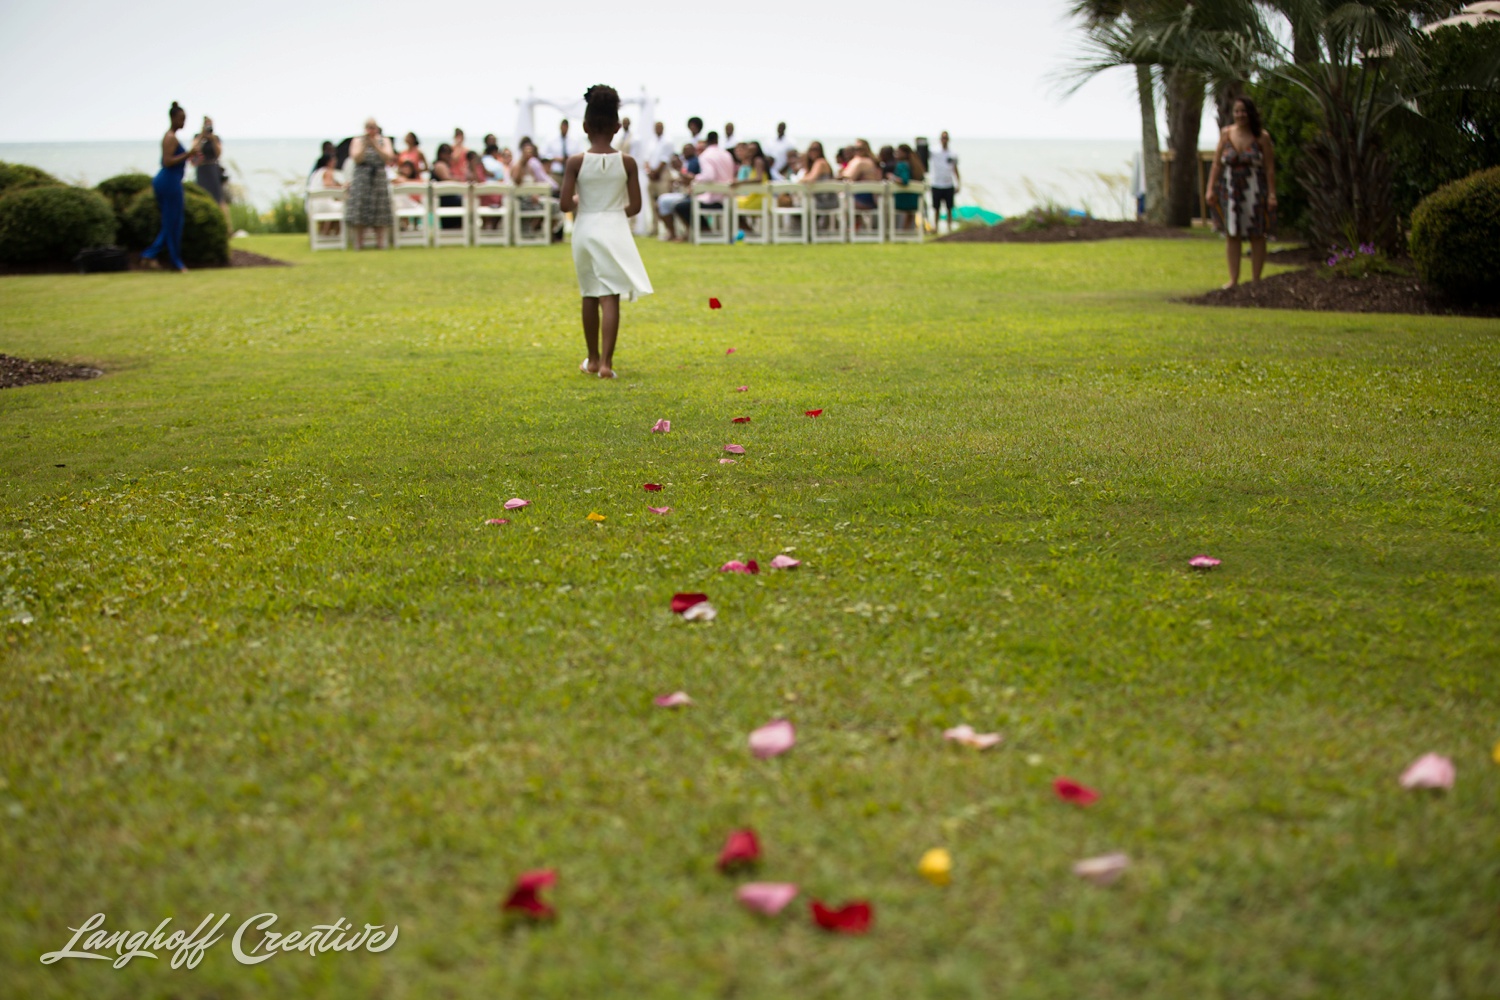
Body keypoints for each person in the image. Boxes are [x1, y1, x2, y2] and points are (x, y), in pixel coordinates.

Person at [560, 85, 652, 380]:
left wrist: (586, 205)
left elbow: (565, 203)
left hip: (585, 228)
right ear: (616, 127)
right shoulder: (627, 162)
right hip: (614, 229)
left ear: (585, 126)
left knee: (589, 294)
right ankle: (606, 364)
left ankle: (592, 358)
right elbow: (635, 206)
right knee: (610, 295)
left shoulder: (575, 162)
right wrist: (611, 213)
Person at [1205, 96, 1277, 288]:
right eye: (1237, 111)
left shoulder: (1262, 137)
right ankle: (1234, 279)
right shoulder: (1226, 134)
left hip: (1254, 189)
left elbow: (1270, 168)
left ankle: (1256, 279)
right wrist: (1210, 188)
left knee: (1257, 234)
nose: (1240, 115)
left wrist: (1271, 194)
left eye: (1243, 111)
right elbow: (1216, 164)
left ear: (1250, 113)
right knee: (1232, 233)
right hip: (1230, 190)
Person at [142, 101, 201, 272]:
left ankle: (152, 255)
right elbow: (167, 162)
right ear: (173, 118)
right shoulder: (169, 137)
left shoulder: (172, 137)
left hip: (172, 181)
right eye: (181, 119)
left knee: (173, 221)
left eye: (185, 119)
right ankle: (172, 260)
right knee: (172, 222)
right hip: (168, 181)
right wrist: (188, 154)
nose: (183, 122)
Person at [668, 130, 734, 241]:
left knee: (681, 206)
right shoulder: (726, 154)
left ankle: (703, 231)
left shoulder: (706, 155)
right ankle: (704, 230)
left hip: (713, 199)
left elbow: (709, 176)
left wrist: (695, 179)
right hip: (727, 197)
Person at [346, 117, 396, 248]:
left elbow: (388, 157)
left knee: (380, 211)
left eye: (373, 127)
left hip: (378, 176)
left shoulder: (384, 141)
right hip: (362, 178)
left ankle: (380, 243)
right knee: (360, 209)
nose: (371, 130)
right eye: (368, 127)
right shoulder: (357, 140)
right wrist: (365, 145)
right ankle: (359, 243)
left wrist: (375, 145)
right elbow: (356, 158)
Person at [191, 116, 229, 223]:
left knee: (218, 197)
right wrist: (202, 136)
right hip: (202, 169)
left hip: (213, 169)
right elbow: (193, 150)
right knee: (201, 195)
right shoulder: (198, 137)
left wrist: (212, 139)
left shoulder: (215, 138)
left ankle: (223, 224)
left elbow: (219, 153)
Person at [644, 121, 674, 236]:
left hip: (662, 175)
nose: (658, 129)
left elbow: (664, 160)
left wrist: (656, 172)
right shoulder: (651, 142)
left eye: (660, 127)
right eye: (656, 127)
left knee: (664, 203)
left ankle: (667, 229)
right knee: (652, 203)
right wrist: (649, 171)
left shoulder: (667, 142)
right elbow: (646, 159)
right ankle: (654, 228)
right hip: (651, 176)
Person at [928, 130, 960, 232]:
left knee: (949, 208)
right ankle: (935, 227)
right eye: (943, 138)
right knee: (936, 208)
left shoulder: (953, 154)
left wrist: (958, 183)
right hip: (936, 183)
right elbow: (923, 156)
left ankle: (949, 228)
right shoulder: (934, 151)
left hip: (948, 184)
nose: (944, 140)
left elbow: (955, 169)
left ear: (948, 139)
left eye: (946, 138)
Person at [893, 143, 925, 231]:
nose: (896, 154)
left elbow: (904, 180)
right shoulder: (915, 165)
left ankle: (890, 232)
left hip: (903, 201)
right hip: (915, 200)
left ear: (904, 153)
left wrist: (892, 178)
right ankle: (905, 230)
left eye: (898, 152)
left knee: (882, 203)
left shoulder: (902, 165)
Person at [543, 119, 576, 188]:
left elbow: (580, 153)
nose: (564, 128)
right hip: (556, 173)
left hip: (569, 173)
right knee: (555, 191)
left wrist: (570, 159)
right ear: (560, 127)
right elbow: (544, 155)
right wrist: (555, 158)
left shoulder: (574, 141)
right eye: (563, 126)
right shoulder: (552, 140)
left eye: (566, 127)